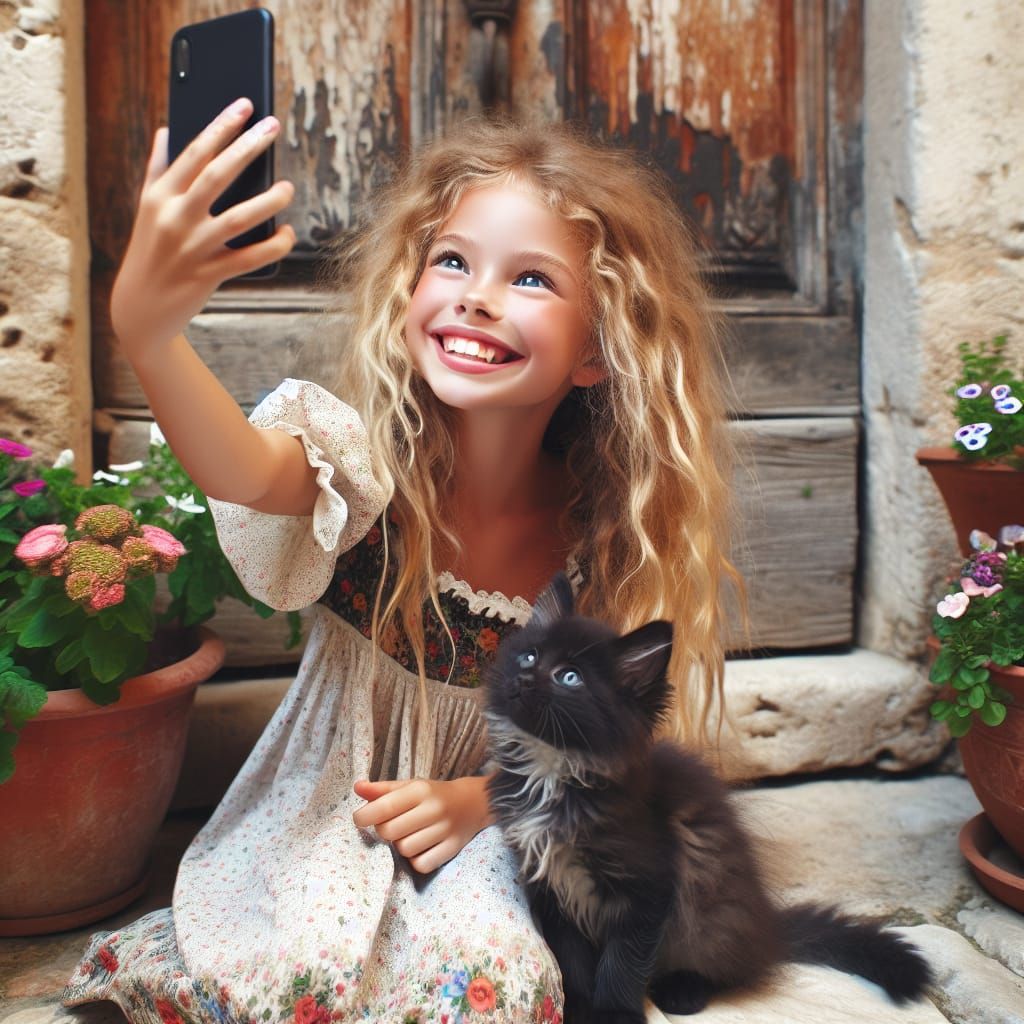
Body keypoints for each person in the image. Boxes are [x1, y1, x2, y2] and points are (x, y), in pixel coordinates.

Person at [60, 100, 742, 1023]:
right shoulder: (367, 474)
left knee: (501, 984)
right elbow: (246, 471)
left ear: (596, 351)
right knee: (297, 972)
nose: (476, 295)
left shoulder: (599, 538)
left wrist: (479, 801)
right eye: (453, 260)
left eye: (532, 278)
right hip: (328, 811)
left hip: (489, 830)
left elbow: (613, 735)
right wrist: (148, 332)